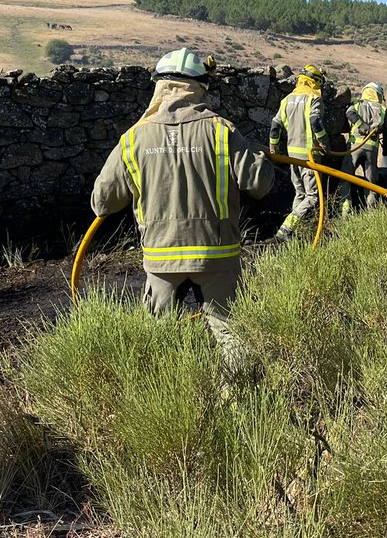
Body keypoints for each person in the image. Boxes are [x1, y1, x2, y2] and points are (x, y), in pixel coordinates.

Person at [91, 48, 274, 355]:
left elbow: (102, 202)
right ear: (200, 86)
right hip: (217, 255)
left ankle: (167, 398)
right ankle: (237, 397)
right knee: (233, 338)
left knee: (159, 342)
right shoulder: (221, 131)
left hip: (162, 258)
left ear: (158, 85)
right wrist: (256, 152)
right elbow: (259, 184)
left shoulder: (133, 139)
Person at [268, 64, 329, 241]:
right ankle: (285, 230)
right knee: (313, 197)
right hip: (309, 156)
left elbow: (275, 125)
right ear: (315, 82)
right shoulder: (313, 98)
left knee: (300, 194)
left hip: (291, 156)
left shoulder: (287, 99)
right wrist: (324, 143)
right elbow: (316, 121)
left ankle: (293, 232)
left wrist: (274, 149)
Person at [337, 82, 387, 217]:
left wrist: (360, 126)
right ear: (378, 94)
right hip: (371, 151)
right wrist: (386, 150)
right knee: (371, 184)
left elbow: (349, 113)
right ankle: (371, 214)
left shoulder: (356, 104)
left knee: (345, 179)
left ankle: (344, 213)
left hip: (354, 149)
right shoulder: (382, 109)